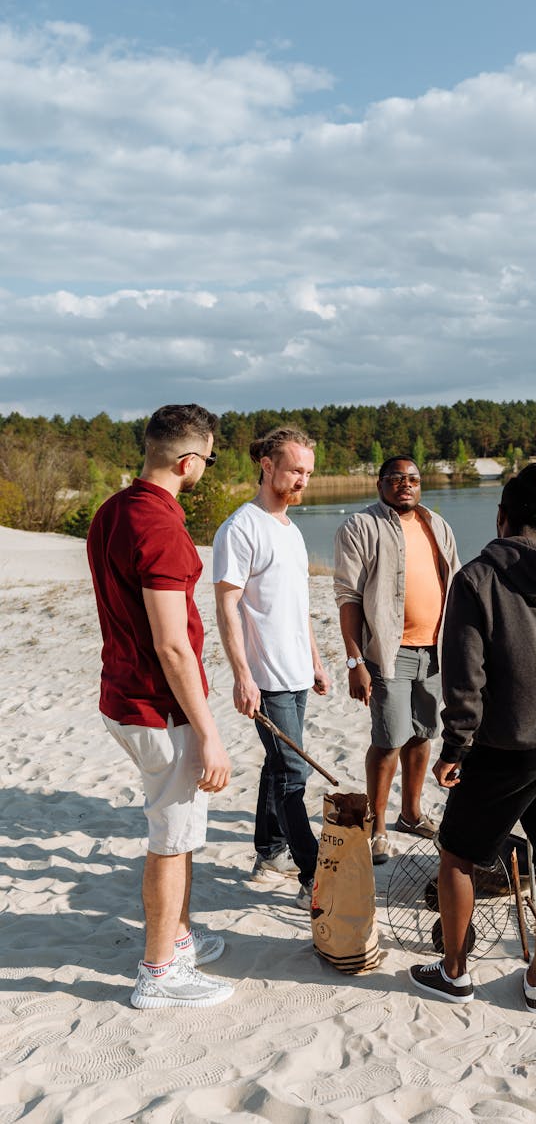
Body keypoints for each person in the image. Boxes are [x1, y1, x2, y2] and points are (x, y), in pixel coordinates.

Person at [409, 463, 536, 1012]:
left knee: (458, 856)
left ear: (501, 516)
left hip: (502, 747)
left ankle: (454, 972)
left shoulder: (475, 579)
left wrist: (455, 747)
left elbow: (465, 678)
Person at [87, 403, 234, 1010]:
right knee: (172, 835)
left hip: (122, 695)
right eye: (209, 459)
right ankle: (158, 972)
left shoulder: (114, 510)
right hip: (156, 706)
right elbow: (172, 644)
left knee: (181, 827)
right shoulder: (161, 529)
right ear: (188, 460)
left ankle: (176, 936)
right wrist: (209, 731)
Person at [213, 427, 331, 911]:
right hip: (266, 676)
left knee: (278, 765)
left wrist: (317, 660)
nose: (302, 479)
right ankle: (312, 874)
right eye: (294, 470)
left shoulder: (292, 529)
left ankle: (267, 855)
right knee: (292, 774)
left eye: (307, 472)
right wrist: (242, 674)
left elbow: (297, 604)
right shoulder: (242, 527)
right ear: (267, 465)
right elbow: (226, 604)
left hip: (297, 669)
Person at [334, 456, 459, 864]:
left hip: (435, 651)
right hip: (388, 654)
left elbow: (455, 584)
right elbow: (349, 597)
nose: (405, 485)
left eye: (413, 479)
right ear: (380, 484)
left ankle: (411, 813)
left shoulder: (437, 525)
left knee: (423, 733)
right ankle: (378, 827)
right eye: (396, 478)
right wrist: (355, 663)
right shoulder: (360, 526)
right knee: (388, 738)